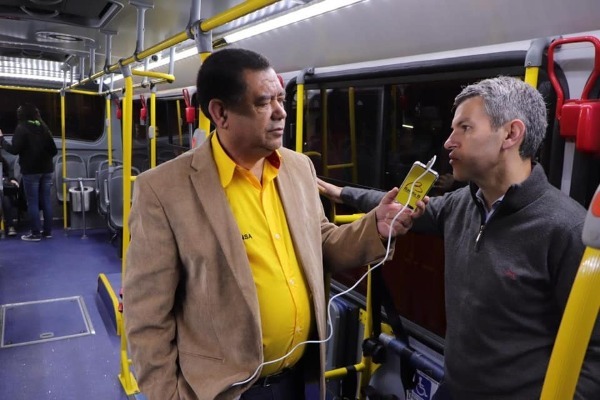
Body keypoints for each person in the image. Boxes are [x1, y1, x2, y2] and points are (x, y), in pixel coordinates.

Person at [123, 48, 422, 400]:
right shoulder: (163, 190)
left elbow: (321, 242)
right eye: (264, 102)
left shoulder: (297, 168)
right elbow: (147, 316)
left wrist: (376, 227)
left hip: (300, 379)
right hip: (224, 391)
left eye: (281, 99)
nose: (281, 112)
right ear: (221, 113)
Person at [317, 76, 600, 399]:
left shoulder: (566, 229)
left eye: (465, 128)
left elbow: (595, 353)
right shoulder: (462, 204)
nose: (449, 142)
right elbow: (397, 207)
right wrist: (342, 193)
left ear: (511, 134)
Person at [0, 104, 57, 241]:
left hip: (31, 171)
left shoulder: (22, 128)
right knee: (46, 200)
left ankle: (35, 233)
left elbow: (14, 150)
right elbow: (54, 150)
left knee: (33, 202)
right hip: (47, 170)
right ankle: (47, 232)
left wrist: (1, 140)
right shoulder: (43, 127)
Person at [0, 153, 20, 236]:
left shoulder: (2, 161)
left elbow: (9, 173)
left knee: (6, 199)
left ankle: (10, 225)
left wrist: (12, 179)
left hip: (2, 186)